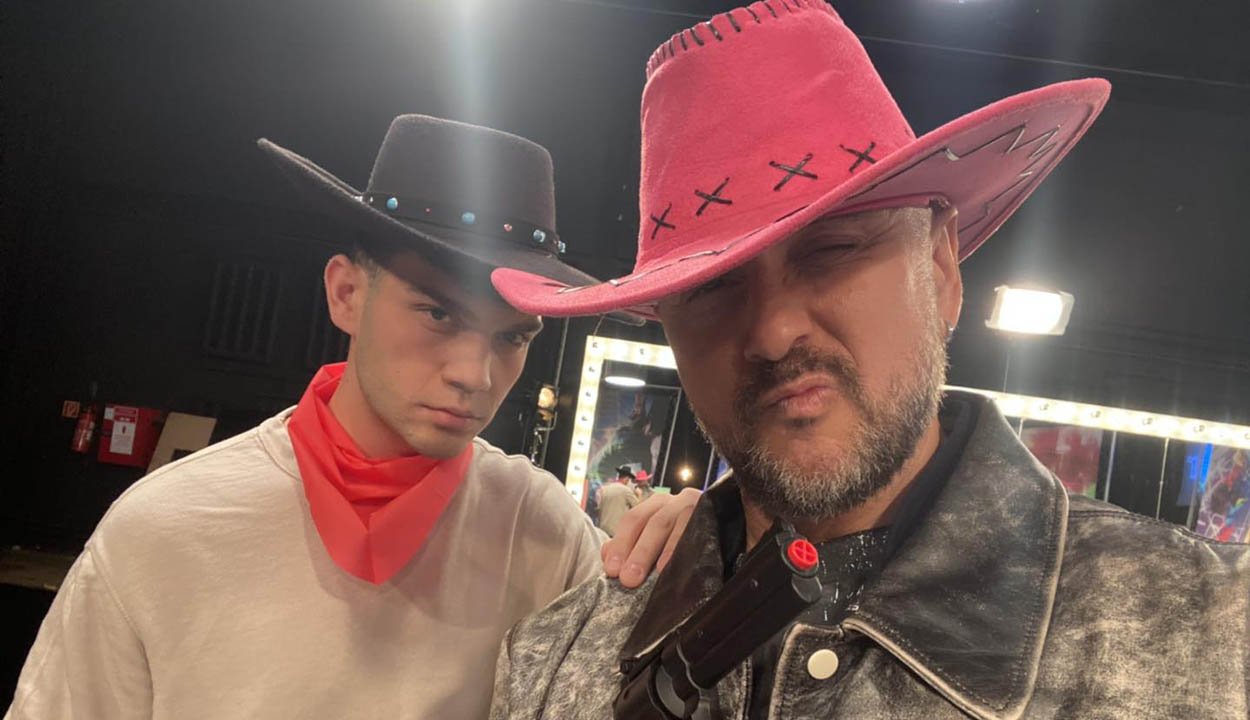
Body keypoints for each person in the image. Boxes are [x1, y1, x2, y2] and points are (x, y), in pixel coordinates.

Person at [489, 4, 1249, 719]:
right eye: (712, 286)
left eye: (834, 248)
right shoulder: (556, 658)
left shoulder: (1215, 636)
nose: (774, 333)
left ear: (941, 265)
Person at [5, 116, 699, 720]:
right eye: (438, 313)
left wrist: (711, 549)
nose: (476, 373)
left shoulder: (540, 531)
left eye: (513, 337)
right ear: (345, 293)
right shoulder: (168, 529)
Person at [598, 465, 641, 537]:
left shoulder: (605, 489)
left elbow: (599, 509)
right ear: (627, 479)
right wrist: (639, 495)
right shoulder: (626, 491)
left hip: (602, 530)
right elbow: (638, 508)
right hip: (616, 532)